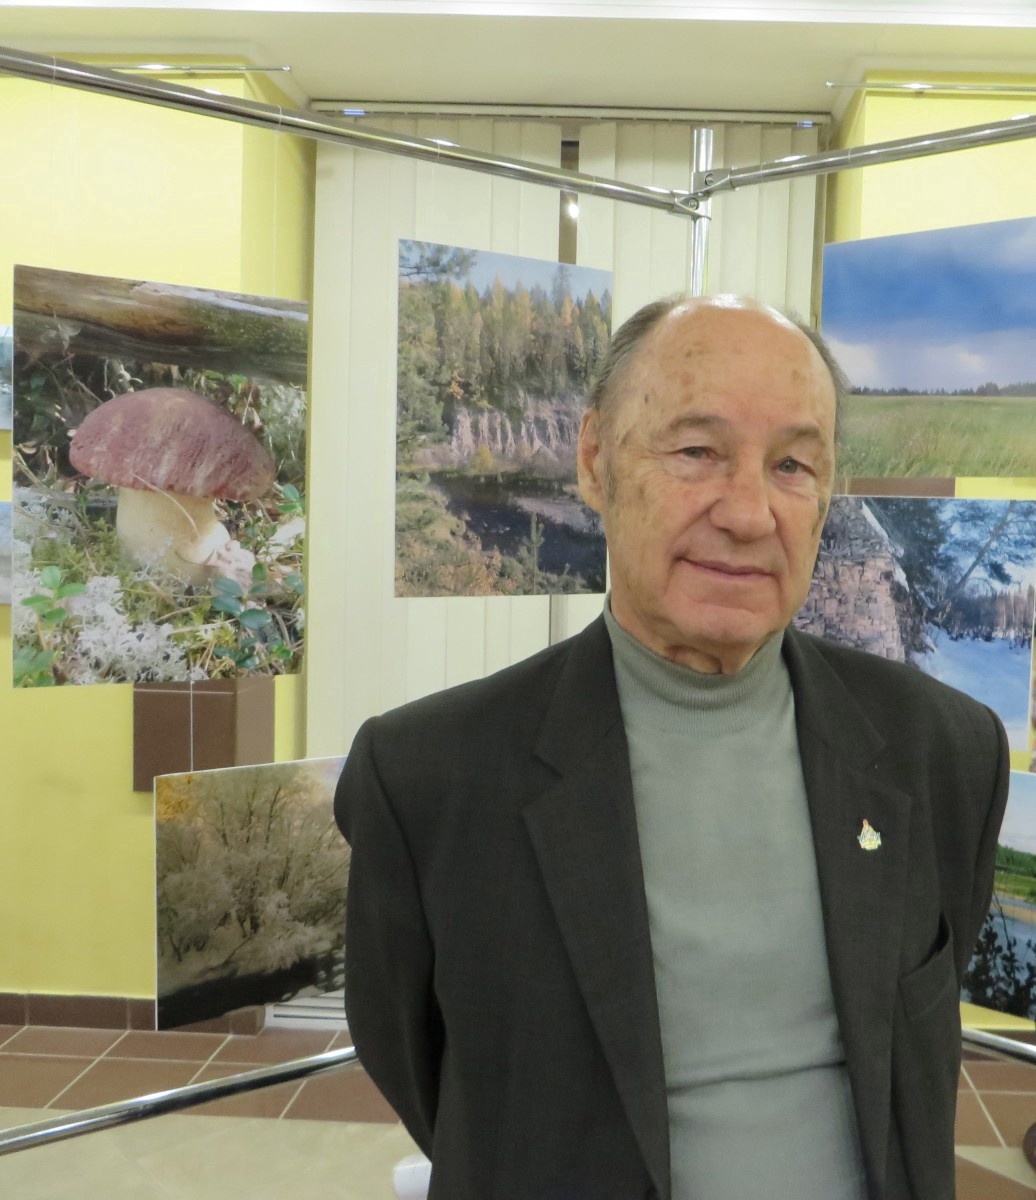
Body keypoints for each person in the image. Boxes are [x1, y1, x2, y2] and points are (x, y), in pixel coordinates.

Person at [334, 295, 1009, 1200]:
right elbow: (427, 1071)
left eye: (792, 464)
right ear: (595, 461)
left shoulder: (941, 751)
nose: (749, 513)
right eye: (697, 451)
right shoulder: (429, 776)